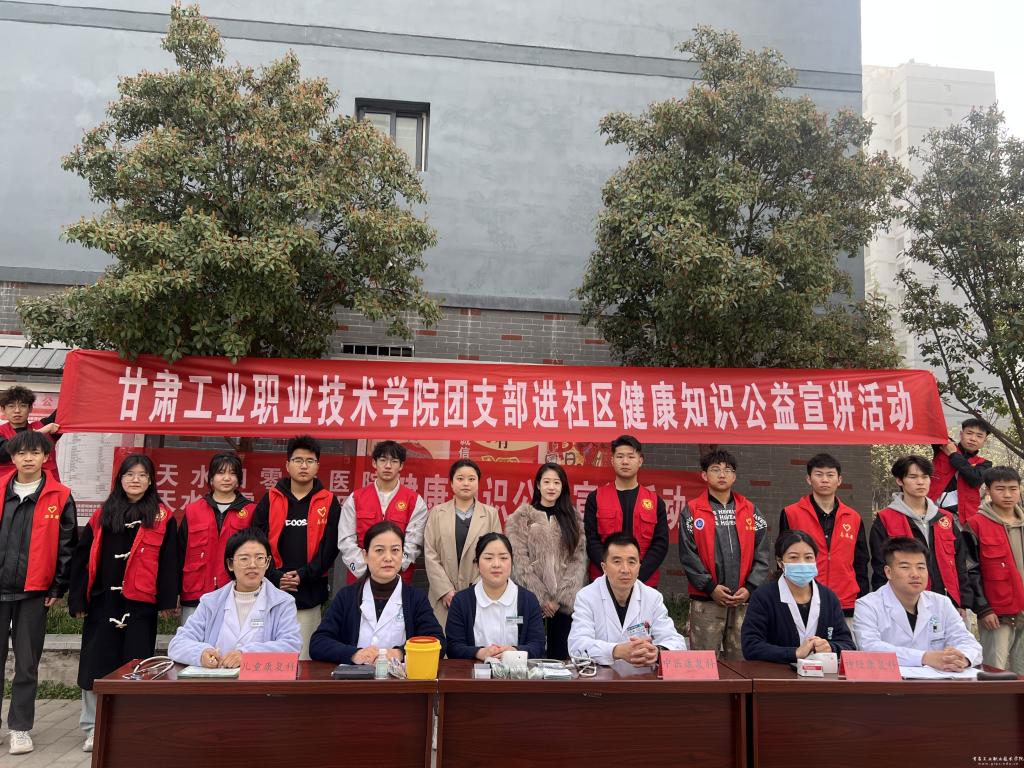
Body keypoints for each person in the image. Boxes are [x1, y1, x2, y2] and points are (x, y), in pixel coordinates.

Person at [69, 454, 179, 753]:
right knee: (95, 665)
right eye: (129, 474)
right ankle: (93, 727)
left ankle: (130, 726)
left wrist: (167, 601)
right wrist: (78, 598)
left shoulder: (162, 516)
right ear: (120, 479)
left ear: (151, 480)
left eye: (142, 475)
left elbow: (170, 561)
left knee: (137, 665)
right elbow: (82, 557)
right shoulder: (102, 514)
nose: (135, 480)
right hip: (103, 602)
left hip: (140, 604)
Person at [0, 431, 76, 756]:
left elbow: (67, 546)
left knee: (27, 663)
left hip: (34, 591)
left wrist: (57, 586)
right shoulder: (0, 488)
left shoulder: (60, 495)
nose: (28, 458)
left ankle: (20, 729)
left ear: (46, 457)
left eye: (35, 452)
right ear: (12, 457)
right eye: (22, 453)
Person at [251, 435, 340, 660]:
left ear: (317, 466)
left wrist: (303, 575)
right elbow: (256, 542)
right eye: (298, 460)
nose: (303, 466)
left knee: (305, 658)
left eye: (310, 461)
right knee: (269, 658)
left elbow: (330, 548)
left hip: (309, 593)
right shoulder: (271, 499)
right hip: (271, 591)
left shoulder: (328, 501)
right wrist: (275, 575)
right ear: (287, 465)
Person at [679, 449, 770, 660]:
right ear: (704, 475)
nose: (722, 474)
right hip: (706, 600)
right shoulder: (692, 511)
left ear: (734, 476)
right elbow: (688, 555)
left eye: (728, 470)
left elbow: (763, 553)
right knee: (704, 662)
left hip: (743, 600)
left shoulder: (750, 510)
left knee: (742, 661)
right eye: (715, 469)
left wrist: (750, 588)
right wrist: (710, 587)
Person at [309, 521, 443, 665]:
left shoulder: (415, 598)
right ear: (365, 555)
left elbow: (438, 642)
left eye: (395, 550)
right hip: (355, 676)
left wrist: (400, 652)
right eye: (379, 550)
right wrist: (354, 654)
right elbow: (318, 643)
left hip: (400, 678)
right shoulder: (347, 596)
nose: (388, 558)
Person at [168, 530, 301, 667]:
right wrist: (201, 653)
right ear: (230, 564)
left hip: (261, 680)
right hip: (217, 678)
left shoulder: (282, 602)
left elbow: (291, 645)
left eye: (260, 558)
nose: (253, 565)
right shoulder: (211, 602)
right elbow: (177, 644)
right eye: (244, 558)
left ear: (267, 563)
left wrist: (246, 655)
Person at [869, 455, 978, 614]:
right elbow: (880, 567)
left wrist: (962, 601)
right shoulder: (886, 519)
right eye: (913, 477)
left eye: (925, 477)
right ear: (900, 481)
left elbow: (960, 563)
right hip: (905, 605)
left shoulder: (945, 518)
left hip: (948, 603)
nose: (920, 482)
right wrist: (887, 607)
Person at [855, 537, 981, 670]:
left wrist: (962, 659)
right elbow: (869, 647)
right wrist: (924, 657)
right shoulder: (867, 605)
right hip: (890, 680)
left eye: (921, 567)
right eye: (905, 567)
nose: (915, 574)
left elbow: (968, 642)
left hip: (938, 680)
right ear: (888, 572)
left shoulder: (941, 603)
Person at [568, 532, 686, 666]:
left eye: (631, 562)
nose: (625, 569)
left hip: (640, 674)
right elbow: (577, 646)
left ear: (639, 567)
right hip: (600, 675)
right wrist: (616, 651)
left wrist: (657, 652)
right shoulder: (586, 597)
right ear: (604, 567)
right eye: (617, 562)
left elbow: (676, 642)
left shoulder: (652, 597)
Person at [506, 463, 587, 660]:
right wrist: (541, 599)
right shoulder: (522, 516)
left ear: (563, 486)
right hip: (531, 604)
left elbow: (579, 560)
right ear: (538, 485)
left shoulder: (573, 518)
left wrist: (559, 600)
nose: (551, 487)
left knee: (561, 659)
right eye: (547, 482)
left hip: (563, 607)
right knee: (529, 657)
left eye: (556, 483)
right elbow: (518, 560)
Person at [741, 530, 856, 664]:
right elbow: (751, 647)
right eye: (794, 557)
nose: (802, 563)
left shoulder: (828, 597)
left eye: (808, 557)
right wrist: (794, 653)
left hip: (822, 675)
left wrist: (831, 647)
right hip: (775, 675)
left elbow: (848, 645)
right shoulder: (763, 597)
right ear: (780, 562)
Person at [778, 454, 868, 620]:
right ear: (808, 479)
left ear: (839, 480)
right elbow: (782, 559)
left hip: (845, 602)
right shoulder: (791, 513)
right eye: (819, 474)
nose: (825, 480)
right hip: (802, 599)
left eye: (830, 475)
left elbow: (861, 563)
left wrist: (862, 599)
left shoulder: (853, 517)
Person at [422, 459, 502, 627]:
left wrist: (475, 590)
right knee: (443, 639)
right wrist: (445, 590)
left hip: (480, 593)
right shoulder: (437, 513)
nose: (466, 483)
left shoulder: (491, 514)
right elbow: (430, 554)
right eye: (460, 478)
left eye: (471, 479)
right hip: (443, 598)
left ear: (478, 483)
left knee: (476, 639)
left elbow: (497, 555)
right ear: (451, 483)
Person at [338, 440, 428, 585]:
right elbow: (346, 541)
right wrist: (366, 570)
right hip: (361, 578)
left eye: (394, 461)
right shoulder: (355, 499)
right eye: (383, 460)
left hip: (399, 580)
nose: (388, 466)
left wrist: (391, 570)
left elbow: (413, 544)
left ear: (401, 465)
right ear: (374, 463)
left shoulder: (415, 501)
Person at [179, 452, 255, 623]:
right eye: (221, 473)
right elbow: (180, 552)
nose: (227, 478)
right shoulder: (193, 510)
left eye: (232, 473)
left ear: (239, 479)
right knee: (193, 638)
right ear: (211, 478)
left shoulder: (250, 511)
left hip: (236, 592)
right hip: (195, 592)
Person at [445, 533, 546, 660]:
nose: (496, 564)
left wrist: (514, 651)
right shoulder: (461, 601)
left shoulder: (528, 600)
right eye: (488, 558)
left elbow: (538, 645)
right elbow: (453, 647)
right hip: (474, 671)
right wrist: (479, 653)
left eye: (503, 558)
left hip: (516, 671)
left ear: (512, 562)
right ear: (477, 564)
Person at [583, 435, 668, 586]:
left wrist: (637, 575)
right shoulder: (595, 498)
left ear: (640, 461)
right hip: (603, 580)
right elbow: (591, 539)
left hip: (644, 581)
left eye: (631, 456)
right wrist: (611, 571)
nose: (625, 461)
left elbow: (660, 544)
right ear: (612, 460)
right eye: (620, 456)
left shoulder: (656, 502)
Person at [967, 466, 1024, 673]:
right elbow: (970, 571)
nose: (1007, 494)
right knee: (993, 671)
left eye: (1013, 488)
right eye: (1000, 489)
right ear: (988, 490)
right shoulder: (975, 524)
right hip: (997, 613)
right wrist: (983, 608)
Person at [929, 417, 993, 522]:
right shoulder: (945, 446)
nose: (973, 439)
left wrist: (953, 455)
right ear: (961, 434)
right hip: (931, 510)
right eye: (969, 433)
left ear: (984, 440)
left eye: (979, 436)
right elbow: (933, 429)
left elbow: (975, 479)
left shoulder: (985, 464)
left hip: (962, 517)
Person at [0, 385, 60, 480]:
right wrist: (39, 433)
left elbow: (68, 408)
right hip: (9, 487)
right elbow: (4, 452)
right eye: (11, 406)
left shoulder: (43, 425)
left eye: (23, 406)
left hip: (47, 486)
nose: (17, 411)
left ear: (30, 408)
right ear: (3, 409)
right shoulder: (1, 432)